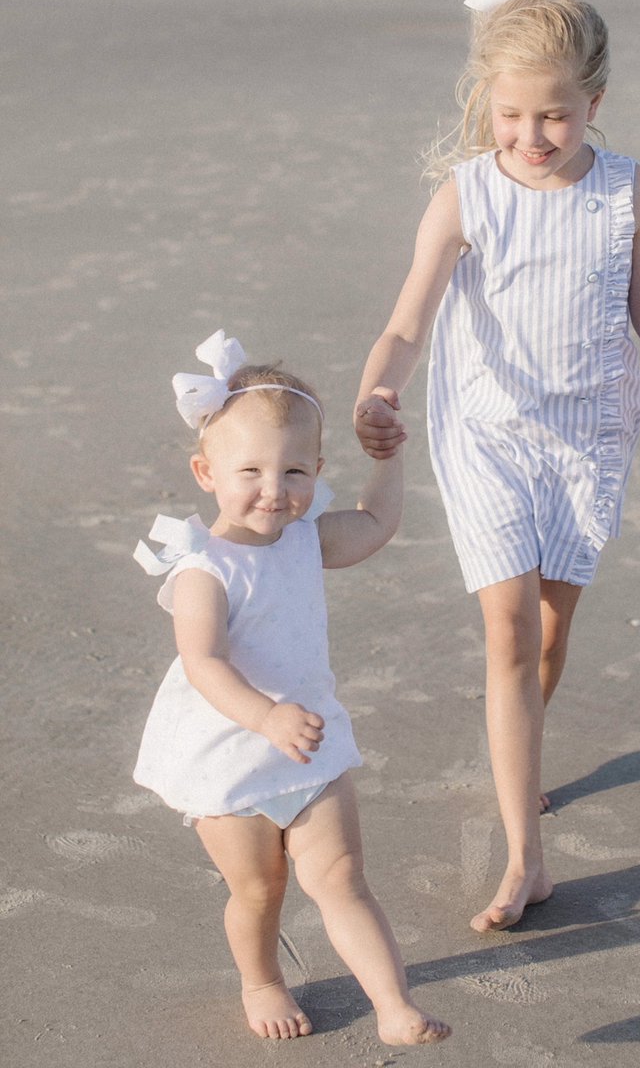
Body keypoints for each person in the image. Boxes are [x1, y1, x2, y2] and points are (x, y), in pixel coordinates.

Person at [354, 0, 640, 933]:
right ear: (488, 102)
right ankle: (529, 855)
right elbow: (406, 322)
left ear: (593, 105)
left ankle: (519, 747)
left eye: (555, 116)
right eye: (512, 114)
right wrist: (377, 393)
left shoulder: (628, 194)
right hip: (485, 430)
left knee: (551, 632)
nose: (531, 135)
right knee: (509, 630)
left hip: (588, 436)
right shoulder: (467, 195)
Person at [133, 331, 450, 1045]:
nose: (275, 492)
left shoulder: (305, 539)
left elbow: (375, 525)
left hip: (309, 743)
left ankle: (394, 1007)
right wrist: (265, 716)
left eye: (294, 473)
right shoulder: (202, 569)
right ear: (205, 472)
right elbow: (203, 663)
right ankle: (262, 979)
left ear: (315, 471)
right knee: (259, 888)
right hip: (229, 749)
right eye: (250, 471)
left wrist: (389, 460)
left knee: (341, 876)